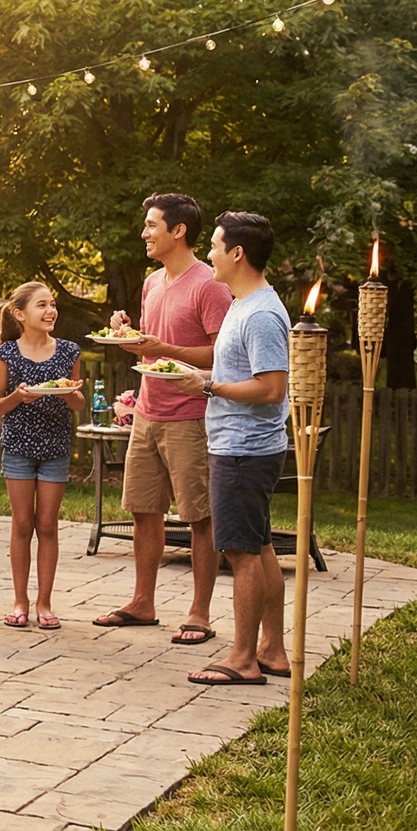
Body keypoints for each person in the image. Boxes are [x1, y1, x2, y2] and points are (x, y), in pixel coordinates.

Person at [92, 193, 230, 645]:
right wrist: (126, 334)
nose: (144, 233)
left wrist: (162, 349)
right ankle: (142, 603)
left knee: (199, 517)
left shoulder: (209, 285)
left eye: (152, 225)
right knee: (143, 510)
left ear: (179, 231)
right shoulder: (152, 283)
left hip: (191, 416)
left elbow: (220, 353)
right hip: (148, 413)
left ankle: (199, 612)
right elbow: (149, 345)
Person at [172, 213, 292, 685]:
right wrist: (200, 379)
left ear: (237, 253)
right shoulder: (244, 305)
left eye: (217, 246)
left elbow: (271, 388)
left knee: (240, 553)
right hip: (239, 446)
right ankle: (273, 651)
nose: (209, 254)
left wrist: (211, 389)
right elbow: (239, 377)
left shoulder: (261, 313)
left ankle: (242, 660)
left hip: (244, 450)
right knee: (259, 549)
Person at [0, 282, 84, 630]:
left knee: (47, 525)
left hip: (55, 448)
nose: (50, 311)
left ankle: (44, 602)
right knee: (22, 525)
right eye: (41, 305)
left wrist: (68, 394)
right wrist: (18, 397)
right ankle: (20, 601)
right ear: (19, 314)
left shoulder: (69, 351)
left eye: (52, 304)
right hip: (18, 448)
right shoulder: (6, 354)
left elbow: (77, 402)